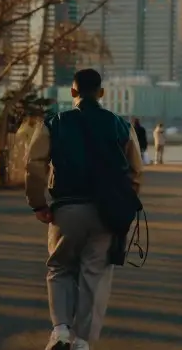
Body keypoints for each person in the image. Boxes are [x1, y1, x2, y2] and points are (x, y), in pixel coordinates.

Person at [25, 69, 145, 350]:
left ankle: (61, 330)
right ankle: (82, 341)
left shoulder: (54, 123)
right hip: (106, 211)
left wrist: (38, 204)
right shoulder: (119, 125)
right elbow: (136, 171)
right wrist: (123, 203)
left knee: (59, 266)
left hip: (67, 208)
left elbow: (34, 164)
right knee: (95, 273)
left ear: (73, 92)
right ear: (101, 93)